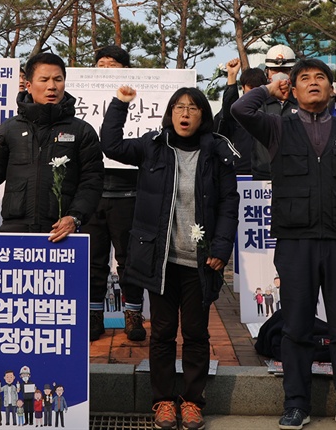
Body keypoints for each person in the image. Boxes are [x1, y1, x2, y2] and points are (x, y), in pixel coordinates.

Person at [233, 59, 336, 429]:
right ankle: (295, 404)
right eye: (304, 79)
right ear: (293, 90)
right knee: (296, 326)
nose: (314, 83)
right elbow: (240, 109)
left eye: (321, 78)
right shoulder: (277, 128)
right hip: (295, 240)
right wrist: (270, 87)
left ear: (332, 89)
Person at [101, 84, 239, 430]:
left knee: (195, 333)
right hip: (159, 259)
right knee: (162, 332)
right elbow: (111, 145)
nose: (185, 114)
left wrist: (221, 248)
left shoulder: (217, 151)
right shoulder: (153, 146)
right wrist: (120, 104)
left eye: (193, 108)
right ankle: (163, 400)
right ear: (170, 113)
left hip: (201, 261)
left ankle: (192, 401)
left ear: (203, 115)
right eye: (179, 107)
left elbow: (228, 203)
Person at [0, 52, 104, 239]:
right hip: (14, 229)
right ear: (28, 85)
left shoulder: (82, 131)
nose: (51, 86)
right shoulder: (10, 128)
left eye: (58, 79)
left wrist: (75, 216)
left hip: (60, 230)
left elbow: (92, 181)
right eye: (44, 80)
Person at [86, 45, 147, 342]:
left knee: (129, 260)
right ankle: (93, 315)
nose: (106, 67)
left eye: (114, 63)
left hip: (129, 192)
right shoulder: (78, 97)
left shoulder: (143, 95)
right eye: (101, 63)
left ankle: (133, 315)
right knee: (93, 260)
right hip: (92, 192)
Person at [215, 60, 271, 178]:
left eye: (258, 88)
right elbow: (228, 108)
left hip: (267, 174)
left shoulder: (271, 111)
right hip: (238, 173)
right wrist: (232, 75)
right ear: (243, 88)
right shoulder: (235, 112)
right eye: (251, 87)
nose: (255, 92)